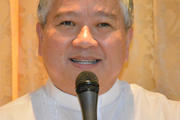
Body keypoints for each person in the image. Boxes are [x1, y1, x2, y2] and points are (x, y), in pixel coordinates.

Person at [0, 0, 179, 119]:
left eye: (103, 24)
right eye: (68, 23)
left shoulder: (167, 114)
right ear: (41, 38)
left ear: (127, 42)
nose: (84, 41)